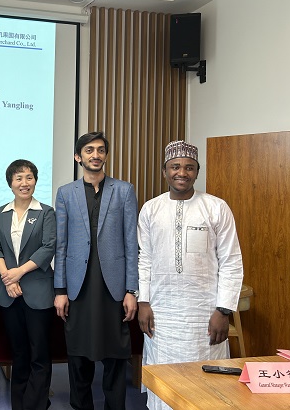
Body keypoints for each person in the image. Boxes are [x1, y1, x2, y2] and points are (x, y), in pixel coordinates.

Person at [137, 140, 244, 410]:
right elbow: (144, 258)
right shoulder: (151, 209)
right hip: (162, 314)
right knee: (165, 379)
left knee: (205, 385)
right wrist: (143, 302)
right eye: (175, 166)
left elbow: (231, 261)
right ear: (164, 171)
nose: (181, 173)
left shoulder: (216, 208)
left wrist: (223, 310)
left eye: (189, 167)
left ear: (197, 172)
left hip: (204, 314)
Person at [54, 131, 138, 410]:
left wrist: (131, 290)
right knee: (78, 356)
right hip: (78, 287)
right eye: (89, 150)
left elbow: (131, 243)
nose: (96, 155)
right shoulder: (66, 193)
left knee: (116, 355)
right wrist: (60, 290)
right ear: (78, 157)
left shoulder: (124, 190)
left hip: (113, 287)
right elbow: (61, 245)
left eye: (101, 150)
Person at [0, 159, 56, 410]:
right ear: (10, 183)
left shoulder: (46, 212)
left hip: (38, 292)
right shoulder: (1, 213)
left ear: (35, 181)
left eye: (29, 177)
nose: (24, 183)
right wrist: (7, 277)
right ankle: (19, 404)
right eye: (18, 178)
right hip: (9, 293)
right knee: (18, 353)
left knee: (39, 353)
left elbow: (48, 247)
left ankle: (36, 404)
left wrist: (18, 273)